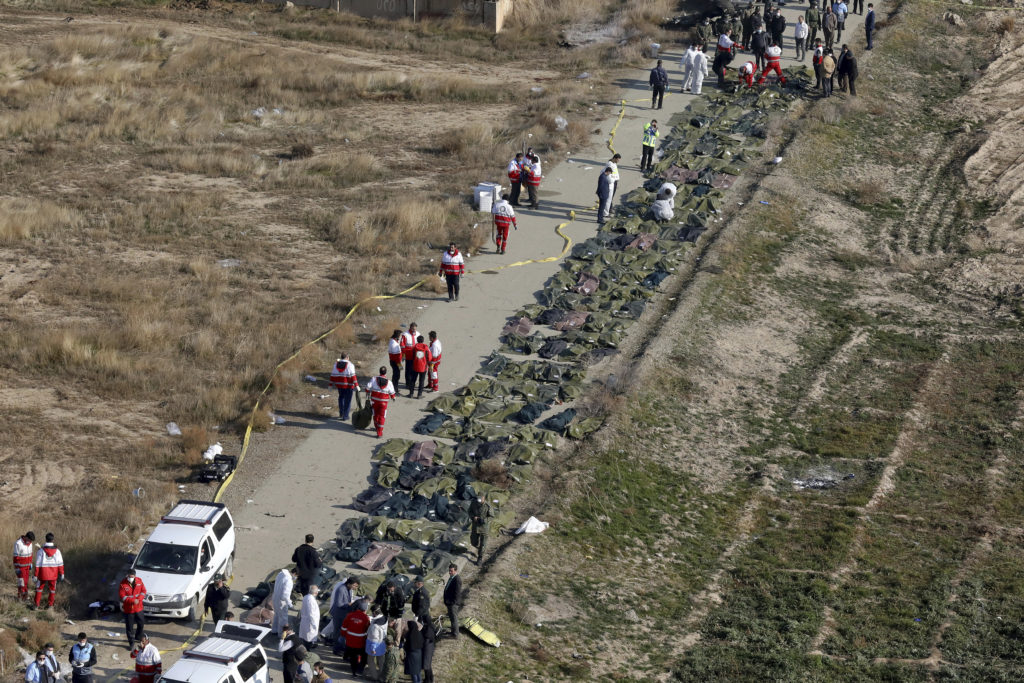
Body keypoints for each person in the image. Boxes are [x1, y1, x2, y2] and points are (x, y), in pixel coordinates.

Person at [325, 577, 360, 643]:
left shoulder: (349, 589)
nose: (355, 588)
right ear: (349, 584)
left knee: (341, 630)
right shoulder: (341, 589)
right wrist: (350, 604)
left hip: (344, 613)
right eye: (354, 585)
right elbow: (339, 604)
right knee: (337, 630)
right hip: (338, 614)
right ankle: (335, 644)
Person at [340, 599, 370, 678]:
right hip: (360, 642)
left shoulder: (350, 615)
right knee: (363, 655)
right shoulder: (366, 618)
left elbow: (344, 628)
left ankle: (354, 672)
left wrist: (344, 635)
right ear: (365, 609)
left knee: (353, 657)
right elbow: (367, 629)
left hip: (350, 641)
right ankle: (360, 670)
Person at [33, 533, 63, 609]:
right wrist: (61, 573)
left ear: (46, 539)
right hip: (53, 573)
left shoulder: (41, 551)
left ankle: (36, 605)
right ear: (53, 540)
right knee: (52, 590)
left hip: (43, 573)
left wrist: (36, 575)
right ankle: (50, 605)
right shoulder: (57, 551)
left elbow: (37, 564)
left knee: (39, 589)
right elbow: (60, 563)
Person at [119, 569, 146, 650]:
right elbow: (122, 596)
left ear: (135, 576)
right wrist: (132, 600)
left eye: (132, 577)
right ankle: (131, 643)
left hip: (139, 607)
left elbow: (143, 591)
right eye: (129, 577)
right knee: (129, 628)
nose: (131, 578)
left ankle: (138, 636)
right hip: (129, 609)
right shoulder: (123, 584)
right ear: (127, 576)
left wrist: (139, 599)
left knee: (141, 623)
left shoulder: (139, 581)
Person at [366, 368, 397, 438]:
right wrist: (393, 397)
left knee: (375, 415)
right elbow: (392, 393)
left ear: (379, 372)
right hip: (383, 403)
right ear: (385, 373)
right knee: (382, 416)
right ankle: (379, 432)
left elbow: (367, 387)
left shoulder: (374, 379)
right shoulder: (389, 382)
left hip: (374, 401)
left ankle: (377, 427)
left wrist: (368, 392)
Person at [329, 355, 359, 421]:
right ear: (347, 357)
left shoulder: (336, 364)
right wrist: (356, 385)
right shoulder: (350, 365)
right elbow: (353, 376)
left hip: (339, 385)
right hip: (348, 386)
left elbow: (332, 375)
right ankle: (345, 416)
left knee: (341, 398)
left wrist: (330, 385)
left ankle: (341, 413)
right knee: (347, 401)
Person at [272, 567, 297, 637]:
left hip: (275, 597)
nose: (296, 578)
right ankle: (281, 635)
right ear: (295, 574)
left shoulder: (281, 574)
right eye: (297, 576)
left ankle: (274, 630)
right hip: (282, 601)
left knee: (277, 614)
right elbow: (285, 595)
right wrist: (290, 604)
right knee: (283, 618)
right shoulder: (289, 581)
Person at [365, 607, 388, 682]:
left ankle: (375, 677)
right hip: (382, 644)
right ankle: (382, 677)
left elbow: (374, 637)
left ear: (375, 613)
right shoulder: (385, 619)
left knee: (370, 661)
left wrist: (373, 648)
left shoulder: (375, 625)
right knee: (381, 661)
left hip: (374, 645)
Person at [469, 494, 492, 566]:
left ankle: (480, 557)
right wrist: (473, 517)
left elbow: (491, 516)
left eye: (480, 498)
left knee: (483, 543)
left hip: (484, 528)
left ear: (484, 498)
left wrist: (484, 520)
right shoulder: (473, 503)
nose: (479, 499)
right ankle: (477, 545)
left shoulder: (488, 506)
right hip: (475, 526)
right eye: (478, 498)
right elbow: (469, 511)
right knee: (473, 542)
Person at [13, 531, 35, 601]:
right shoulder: (18, 543)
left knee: (25, 582)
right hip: (20, 568)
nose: (30, 542)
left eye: (31, 541)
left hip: (27, 567)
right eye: (29, 540)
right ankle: (21, 597)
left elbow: (31, 554)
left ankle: (25, 596)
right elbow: (16, 557)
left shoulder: (30, 543)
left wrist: (30, 563)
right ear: (26, 537)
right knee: (21, 583)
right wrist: (17, 568)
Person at [443, 564, 462, 640]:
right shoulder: (452, 577)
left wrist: (452, 603)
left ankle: (455, 634)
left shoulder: (457, 580)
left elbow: (457, 593)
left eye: (451, 571)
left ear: (455, 571)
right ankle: (452, 631)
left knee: (454, 618)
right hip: (450, 602)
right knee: (451, 618)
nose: (449, 572)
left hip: (453, 603)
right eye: (449, 570)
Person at [299, 585, 320, 650]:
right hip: (310, 622)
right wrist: (314, 624)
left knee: (307, 635)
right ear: (316, 593)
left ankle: (309, 645)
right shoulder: (311, 600)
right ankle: (308, 649)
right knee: (308, 637)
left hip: (306, 620)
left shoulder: (306, 597)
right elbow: (311, 613)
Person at [420, 617, 437, 683]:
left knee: (426, 665)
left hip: (427, 648)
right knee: (428, 664)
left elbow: (425, 639)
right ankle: (430, 678)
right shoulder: (432, 626)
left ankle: (428, 680)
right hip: (431, 647)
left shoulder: (427, 629)